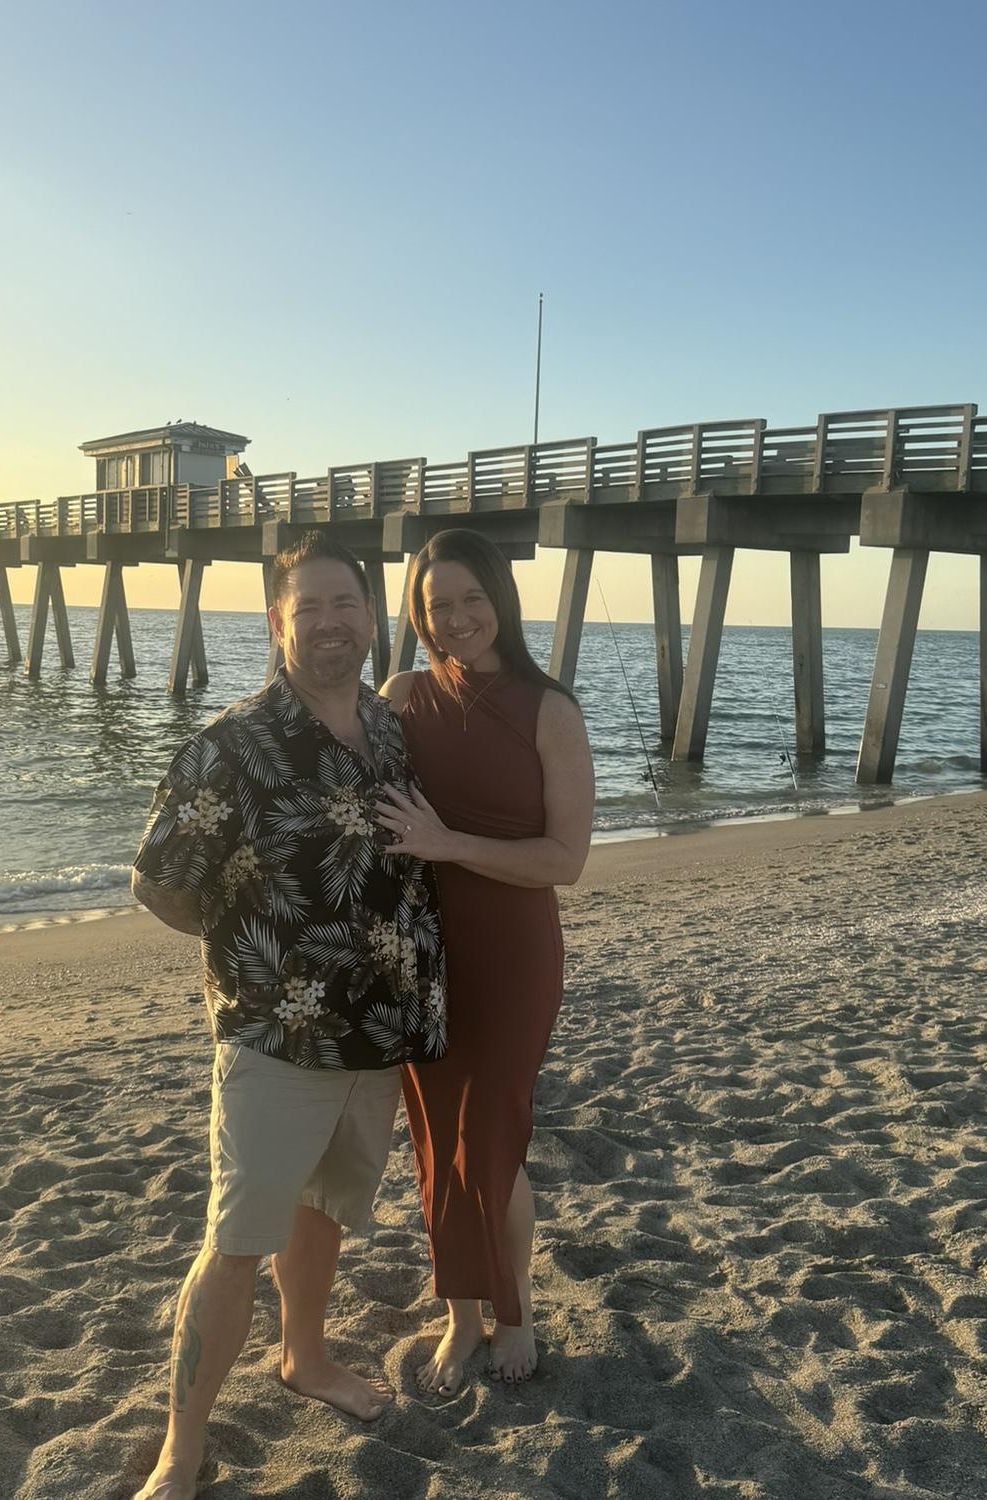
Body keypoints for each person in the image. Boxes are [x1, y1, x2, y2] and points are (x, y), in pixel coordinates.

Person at [128, 531, 447, 1500]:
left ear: (371, 614)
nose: (330, 625)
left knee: (326, 1210)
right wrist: (258, 966)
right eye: (307, 609)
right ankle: (182, 1453)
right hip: (277, 1041)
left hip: (379, 1033)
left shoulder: (388, 729)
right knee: (235, 1241)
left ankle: (303, 1356)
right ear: (276, 624)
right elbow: (159, 883)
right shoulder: (231, 746)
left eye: (345, 604)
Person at [375, 528, 594, 1394]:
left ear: (500, 599)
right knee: (436, 1140)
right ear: (419, 616)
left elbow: (563, 859)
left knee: (491, 1136)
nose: (457, 619)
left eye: (472, 599)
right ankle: (461, 1316)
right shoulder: (400, 696)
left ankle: (515, 1315)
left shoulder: (551, 710)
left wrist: (444, 842)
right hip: (421, 955)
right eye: (438, 606)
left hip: (511, 953)